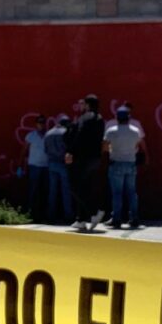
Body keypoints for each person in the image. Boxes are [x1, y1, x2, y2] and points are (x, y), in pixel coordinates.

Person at [103, 105, 149, 229]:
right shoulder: (135, 130)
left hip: (116, 162)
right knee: (132, 192)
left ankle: (116, 218)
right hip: (131, 163)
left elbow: (105, 147)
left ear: (117, 118)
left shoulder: (111, 131)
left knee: (117, 193)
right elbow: (139, 145)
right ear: (128, 118)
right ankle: (134, 217)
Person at [65, 94, 106, 231]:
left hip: (83, 157)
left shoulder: (85, 117)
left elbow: (79, 135)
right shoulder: (100, 119)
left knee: (74, 186)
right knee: (85, 186)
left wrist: (70, 151)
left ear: (87, 105)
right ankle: (81, 219)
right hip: (95, 158)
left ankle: (94, 212)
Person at [44, 114, 73, 224]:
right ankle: (68, 215)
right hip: (63, 164)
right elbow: (70, 148)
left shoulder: (48, 133)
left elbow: (45, 149)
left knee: (52, 190)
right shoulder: (66, 132)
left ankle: (50, 215)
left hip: (51, 163)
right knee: (66, 191)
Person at [21, 114, 48, 221]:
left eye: (43, 123)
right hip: (34, 166)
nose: (41, 125)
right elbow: (24, 150)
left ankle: (42, 214)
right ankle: (29, 212)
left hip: (46, 166)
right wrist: (20, 165)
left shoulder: (48, 136)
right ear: (36, 124)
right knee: (32, 190)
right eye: (39, 123)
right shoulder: (31, 135)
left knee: (44, 191)